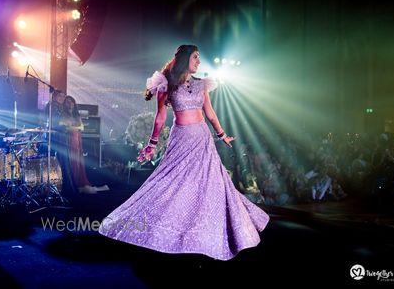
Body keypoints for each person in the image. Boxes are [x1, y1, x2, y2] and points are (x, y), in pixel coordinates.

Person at [99, 45, 269, 261]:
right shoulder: (166, 84)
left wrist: (221, 134)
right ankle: (163, 228)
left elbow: (210, 113)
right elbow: (160, 117)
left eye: (199, 58)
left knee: (209, 184)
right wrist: (151, 144)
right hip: (181, 139)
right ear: (185, 59)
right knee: (170, 182)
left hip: (202, 138)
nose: (198, 61)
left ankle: (205, 233)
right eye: (195, 57)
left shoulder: (201, 85)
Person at [60, 95, 109, 194]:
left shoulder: (76, 115)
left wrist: (74, 127)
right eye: (68, 102)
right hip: (70, 140)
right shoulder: (63, 115)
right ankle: (75, 184)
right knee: (73, 162)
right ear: (64, 104)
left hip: (77, 139)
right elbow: (65, 128)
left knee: (78, 162)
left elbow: (82, 127)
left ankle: (81, 184)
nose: (70, 103)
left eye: (72, 101)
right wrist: (75, 127)